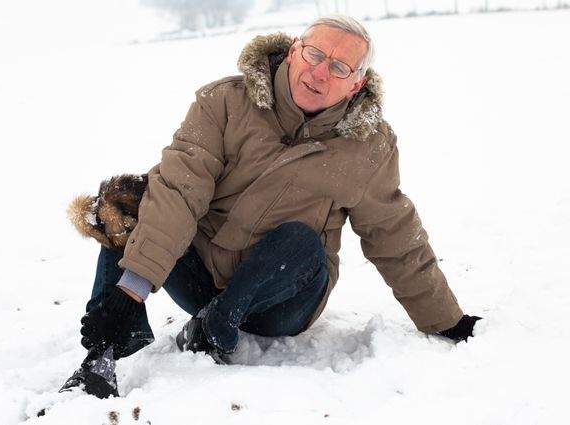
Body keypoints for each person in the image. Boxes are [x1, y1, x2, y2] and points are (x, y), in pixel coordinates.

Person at [63, 15, 482, 398]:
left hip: (283, 297)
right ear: (295, 48)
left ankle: (214, 328)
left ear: (357, 83)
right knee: (134, 200)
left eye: (339, 67)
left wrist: (444, 318)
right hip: (201, 277)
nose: (319, 72)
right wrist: (131, 291)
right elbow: (179, 190)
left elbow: (392, 232)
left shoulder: (369, 146)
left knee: (299, 239)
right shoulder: (224, 102)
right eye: (315, 54)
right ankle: (101, 357)